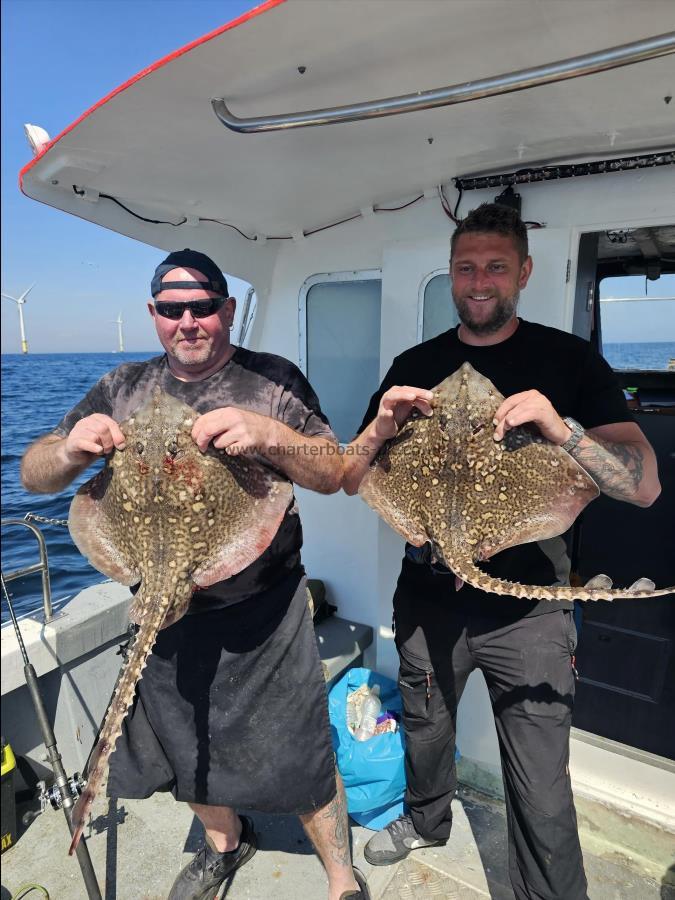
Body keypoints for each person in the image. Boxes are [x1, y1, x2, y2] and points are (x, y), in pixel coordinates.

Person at [21, 249, 369, 900]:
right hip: (157, 601)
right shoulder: (120, 386)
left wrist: (267, 433)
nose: (188, 320)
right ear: (153, 314)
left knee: (299, 755)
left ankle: (341, 878)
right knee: (185, 747)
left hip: (265, 610)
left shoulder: (272, 380)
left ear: (227, 310)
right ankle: (222, 845)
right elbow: (34, 473)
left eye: (202, 306)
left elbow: (335, 473)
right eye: (172, 309)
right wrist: (69, 448)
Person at [342, 205, 661, 900]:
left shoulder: (568, 360)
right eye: (465, 268)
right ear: (450, 275)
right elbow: (352, 476)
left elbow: (642, 487)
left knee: (541, 783)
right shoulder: (414, 364)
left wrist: (557, 424)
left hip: (528, 614)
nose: (478, 281)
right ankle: (426, 821)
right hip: (428, 594)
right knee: (426, 732)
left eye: (493, 266)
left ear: (522, 271)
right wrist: (379, 428)